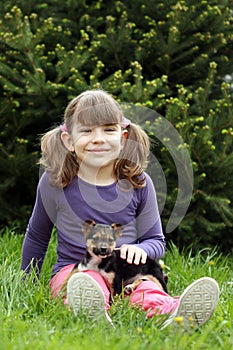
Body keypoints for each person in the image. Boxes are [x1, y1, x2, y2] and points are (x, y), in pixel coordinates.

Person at [21, 89, 219, 328]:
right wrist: (27, 284)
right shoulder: (55, 183)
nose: (98, 138)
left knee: (145, 288)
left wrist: (142, 250)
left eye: (108, 129)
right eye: (86, 131)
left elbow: (156, 240)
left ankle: (175, 314)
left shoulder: (138, 183)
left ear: (123, 138)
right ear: (69, 141)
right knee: (83, 282)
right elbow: (37, 236)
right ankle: (92, 312)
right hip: (75, 271)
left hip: (126, 274)